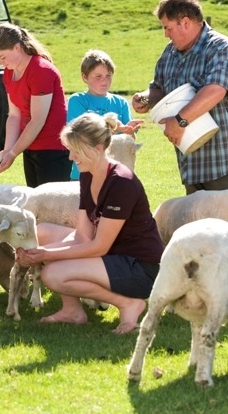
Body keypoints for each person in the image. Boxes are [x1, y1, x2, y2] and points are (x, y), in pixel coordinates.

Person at [16, 112, 164, 334]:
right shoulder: (88, 174)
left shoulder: (121, 183)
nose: (70, 157)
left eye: (75, 151)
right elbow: (82, 237)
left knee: (53, 274)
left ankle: (128, 303)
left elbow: (99, 247)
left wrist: (45, 255)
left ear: (96, 149)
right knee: (42, 233)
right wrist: (38, 250)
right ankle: (72, 311)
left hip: (139, 267)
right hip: (111, 255)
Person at [132, 0, 228, 193]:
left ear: (185, 22)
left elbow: (216, 90)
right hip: (190, 164)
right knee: (196, 225)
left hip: (222, 163)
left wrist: (180, 121)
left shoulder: (220, 48)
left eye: (168, 28)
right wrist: (147, 98)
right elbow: (159, 87)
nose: (165, 34)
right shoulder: (170, 53)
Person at [0, 23, 71, 187]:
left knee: (51, 207)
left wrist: (13, 153)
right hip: (30, 147)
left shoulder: (41, 70)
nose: (0, 62)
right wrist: (6, 151)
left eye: (2, 57)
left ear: (17, 48)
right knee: (36, 204)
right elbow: (14, 115)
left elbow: (37, 120)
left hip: (53, 149)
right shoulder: (9, 72)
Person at [67, 49, 143, 180]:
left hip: (115, 173)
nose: (105, 81)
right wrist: (115, 127)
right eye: (98, 76)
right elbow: (79, 134)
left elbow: (127, 141)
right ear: (84, 77)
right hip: (84, 173)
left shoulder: (121, 102)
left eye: (108, 75)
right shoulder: (77, 100)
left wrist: (130, 131)